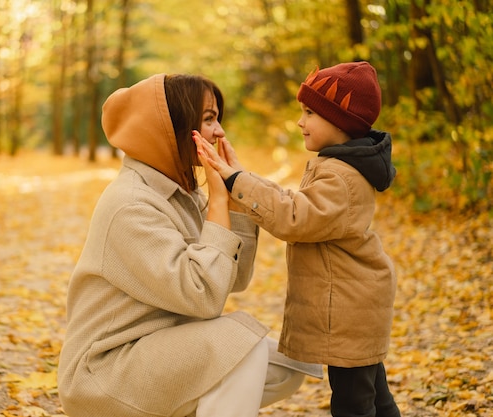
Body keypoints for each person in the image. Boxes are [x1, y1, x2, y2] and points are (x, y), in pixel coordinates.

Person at [57, 73, 322, 417]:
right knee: (241, 347)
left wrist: (235, 201)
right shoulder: (131, 203)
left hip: (158, 349)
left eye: (217, 119)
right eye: (209, 119)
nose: (220, 132)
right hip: (105, 369)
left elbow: (234, 278)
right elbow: (204, 296)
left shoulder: (180, 192)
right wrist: (216, 203)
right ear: (171, 128)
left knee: (288, 367)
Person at [194, 61, 401, 417]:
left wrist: (235, 183)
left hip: (351, 309)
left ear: (342, 121)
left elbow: (294, 218)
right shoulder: (339, 167)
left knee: (353, 404)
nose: (300, 122)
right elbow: (296, 203)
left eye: (309, 113)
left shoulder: (342, 177)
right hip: (356, 305)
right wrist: (241, 176)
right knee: (375, 397)